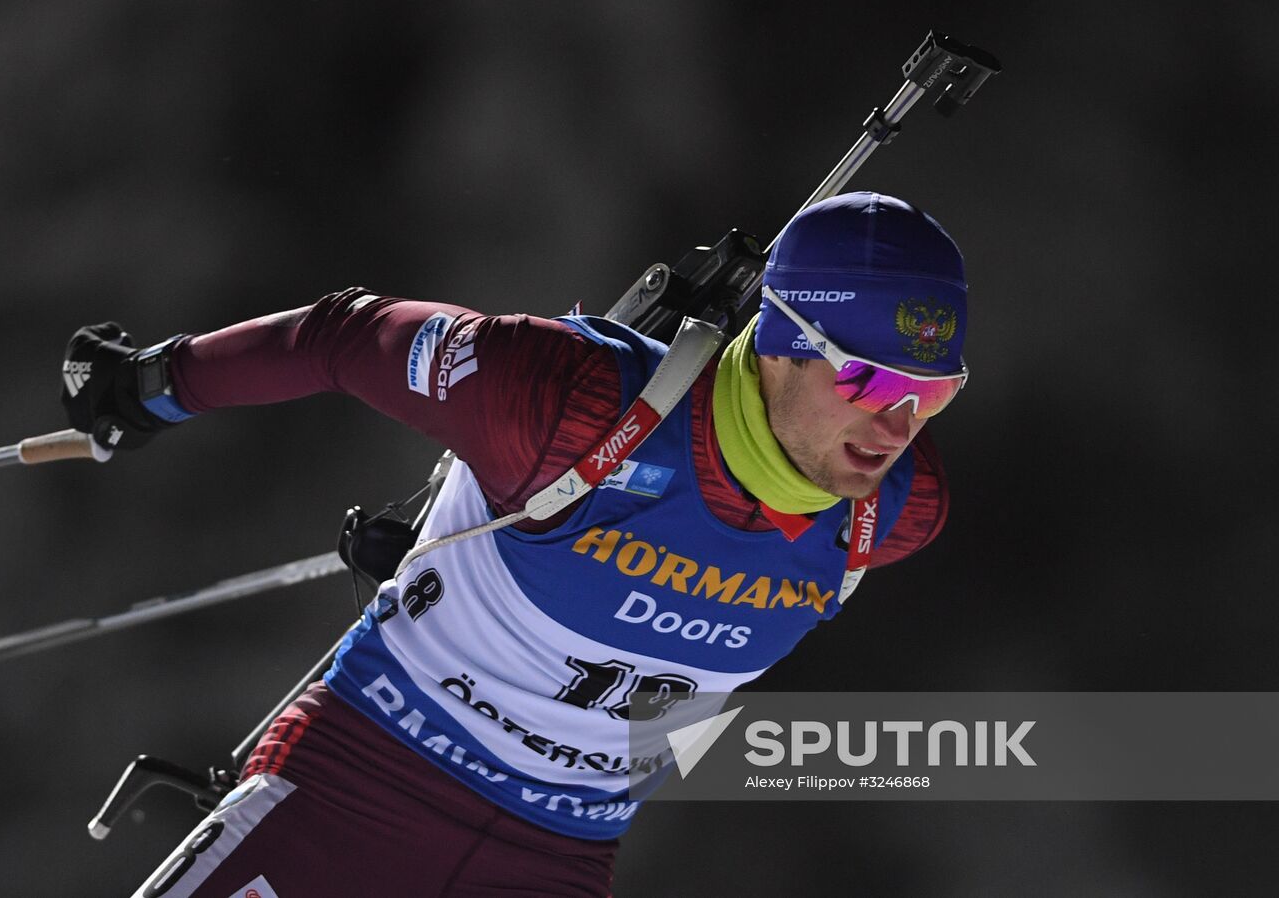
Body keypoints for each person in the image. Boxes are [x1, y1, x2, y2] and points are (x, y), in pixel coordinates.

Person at [61, 191, 970, 897]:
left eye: (932, 394)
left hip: (556, 861)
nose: (896, 423)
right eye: (868, 376)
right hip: (360, 789)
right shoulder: (567, 400)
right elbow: (347, 336)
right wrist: (154, 385)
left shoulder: (892, 515)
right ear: (779, 337)